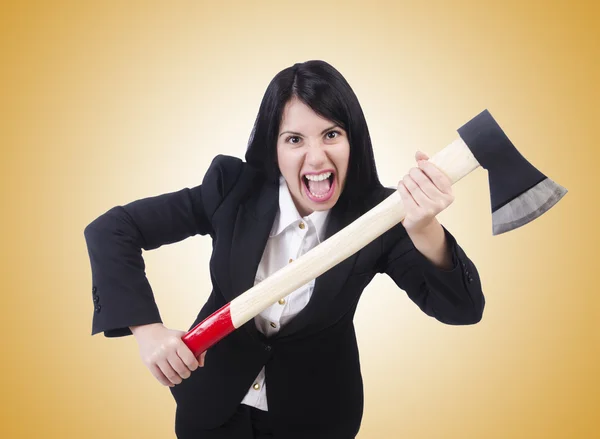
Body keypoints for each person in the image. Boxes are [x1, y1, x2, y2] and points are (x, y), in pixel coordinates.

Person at [83, 60, 485, 439]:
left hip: (314, 418)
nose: (316, 157)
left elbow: (462, 310)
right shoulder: (231, 189)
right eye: (294, 139)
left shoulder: (381, 217)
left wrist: (424, 227)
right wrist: (147, 330)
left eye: (331, 134)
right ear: (274, 147)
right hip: (211, 408)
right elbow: (113, 229)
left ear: (353, 140)